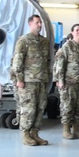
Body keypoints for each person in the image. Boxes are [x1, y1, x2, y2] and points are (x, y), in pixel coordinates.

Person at [12, 14, 51, 146]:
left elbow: (47, 61)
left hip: (41, 80)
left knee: (40, 108)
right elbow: (17, 61)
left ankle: (35, 133)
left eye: (40, 22)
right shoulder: (23, 41)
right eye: (37, 22)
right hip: (28, 81)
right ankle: (26, 134)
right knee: (28, 109)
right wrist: (19, 79)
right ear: (30, 24)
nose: (39, 25)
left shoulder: (44, 42)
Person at [54, 24, 79, 140]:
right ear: (72, 32)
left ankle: (76, 129)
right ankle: (66, 130)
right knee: (67, 106)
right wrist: (59, 80)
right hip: (69, 82)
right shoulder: (67, 46)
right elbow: (59, 64)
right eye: (77, 30)